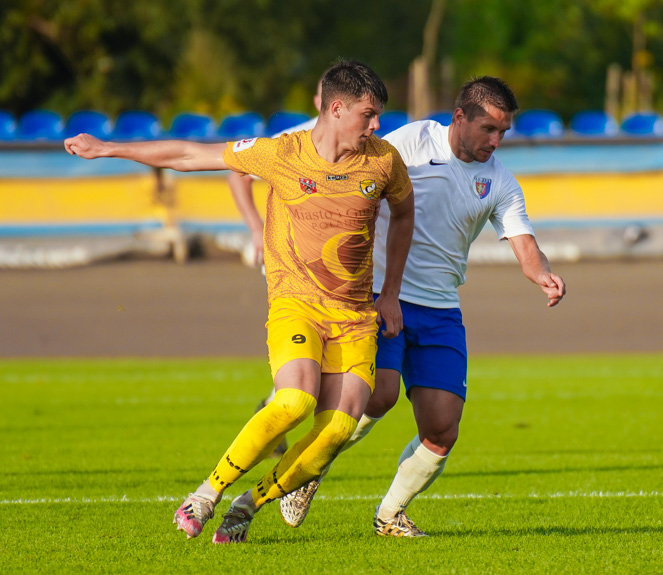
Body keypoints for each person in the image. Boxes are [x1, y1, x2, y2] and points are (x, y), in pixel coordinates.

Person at [64, 60, 415, 544]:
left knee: (338, 428)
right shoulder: (280, 153)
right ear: (337, 108)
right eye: (369, 114)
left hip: (354, 315)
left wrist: (391, 292)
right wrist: (109, 148)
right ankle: (206, 494)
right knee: (294, 399)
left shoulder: (383, 160)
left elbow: (404, 214)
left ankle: (249, 505)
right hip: (297, 303)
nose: (376, 125)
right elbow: (190, 153)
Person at [272, 76, 566, 537]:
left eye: (503, 132)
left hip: (441, 309)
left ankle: (389, 516)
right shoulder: (412, 141)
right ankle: (306, 470)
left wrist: (542, 273)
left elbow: (524, 242)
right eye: (488, 128)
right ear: (459, 117)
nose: (495, 140)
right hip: (382, 294)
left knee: (442, 427)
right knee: (380, 394)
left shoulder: (501, 181)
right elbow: (355, 173)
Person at [232, 78, 322, 458]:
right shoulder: (291, 140)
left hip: (334, 268)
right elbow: (237, 171)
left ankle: (273, 406)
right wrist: (256, 228)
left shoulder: (363, 147)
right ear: (323, 101)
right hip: (288, 261)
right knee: (309, 352)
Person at [229, 78, 322, 268]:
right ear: (317, 102)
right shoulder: (289, 141)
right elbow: (238, 176)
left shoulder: (366, 143)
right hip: (288, 265)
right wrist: (256, 229)